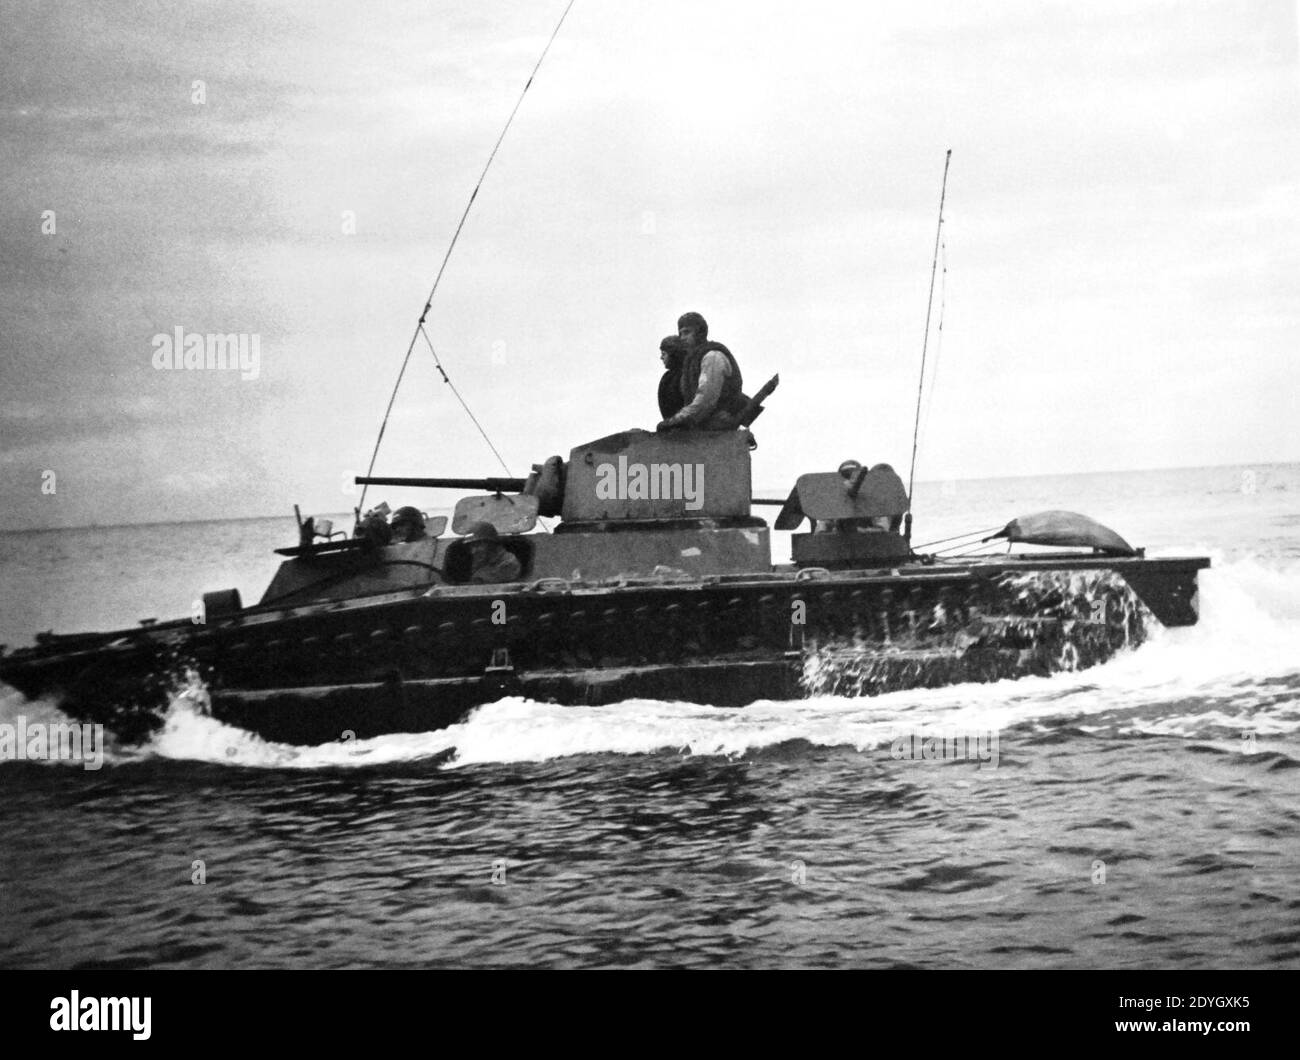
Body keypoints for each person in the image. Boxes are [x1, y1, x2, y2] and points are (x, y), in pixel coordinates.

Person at [657, 311, 746, 431]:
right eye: (681, 333)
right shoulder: (692, 361)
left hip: (719, 426)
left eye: (687, 332)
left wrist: (677, 420)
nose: (682, 338)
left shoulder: (712, 356)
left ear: (700, 333)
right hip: (703, 425)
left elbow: (706, 400)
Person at [657, 335, 688, 421]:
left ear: (673, 354)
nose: (661, 357)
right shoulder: (668, 377)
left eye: (664, 354)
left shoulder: (686, 374)